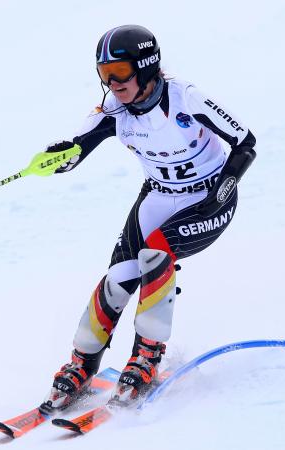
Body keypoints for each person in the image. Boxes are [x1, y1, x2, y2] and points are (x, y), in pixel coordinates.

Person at [39, 24, 257, 411]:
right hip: (158, 196)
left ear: (145, 66)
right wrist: (61, 157)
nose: (113, 84)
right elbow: (78, 146)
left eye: (120, 72)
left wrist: (222, 191)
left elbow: (245, 143)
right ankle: (81, 364)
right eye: (105, 75)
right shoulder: (113, 108)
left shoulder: (184, 97)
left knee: (155, 254)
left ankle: (146, 358)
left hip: (209, 199)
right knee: (119, 276)